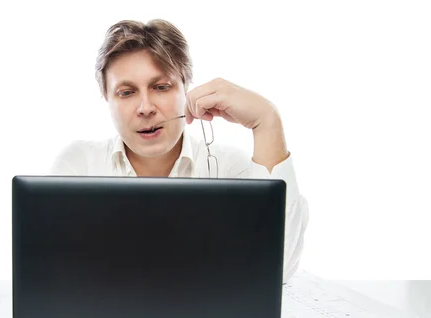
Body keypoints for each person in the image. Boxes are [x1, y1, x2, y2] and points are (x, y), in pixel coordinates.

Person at [49, 19, 309, 282]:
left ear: (186, 88)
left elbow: (279, 269)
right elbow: (53, 272)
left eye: (161, 87)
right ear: (106, 97)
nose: (145, 107)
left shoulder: (229, 167)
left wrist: (267, 121)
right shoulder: (79, 165)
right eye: (126, 92)